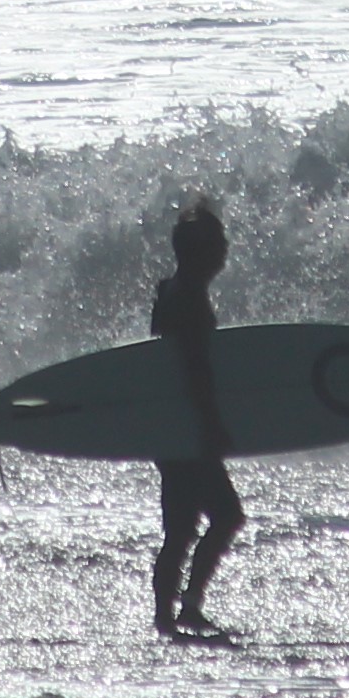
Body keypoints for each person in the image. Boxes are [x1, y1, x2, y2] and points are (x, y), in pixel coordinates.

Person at [147, 196, 244, 640]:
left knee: (183, 527)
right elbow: (194, 370)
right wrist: (211, 423)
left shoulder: (171, 290)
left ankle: (172, 614)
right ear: (201, 250)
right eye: (219, 242)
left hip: (170, 428)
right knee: (223, 516)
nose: (225, 250)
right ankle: (180, 610)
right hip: (186, 429)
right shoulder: (187, 299)